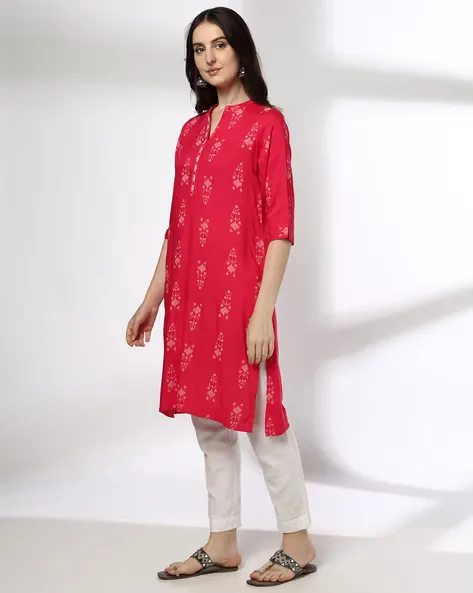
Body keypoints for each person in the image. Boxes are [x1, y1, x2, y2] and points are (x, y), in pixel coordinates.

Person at [126, 6, 316, 587]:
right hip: (191, 297)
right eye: (199, 48)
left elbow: (280, 226)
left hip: (241, 298)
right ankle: (222, 542)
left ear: (240, 51)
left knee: (261, 420)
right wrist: (152, 300)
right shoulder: (190, 134)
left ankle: (298, 540)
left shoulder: (267, 124)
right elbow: (178, 225)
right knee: (209, 424)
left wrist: (262, 312)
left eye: (219, 45)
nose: (209, 58)